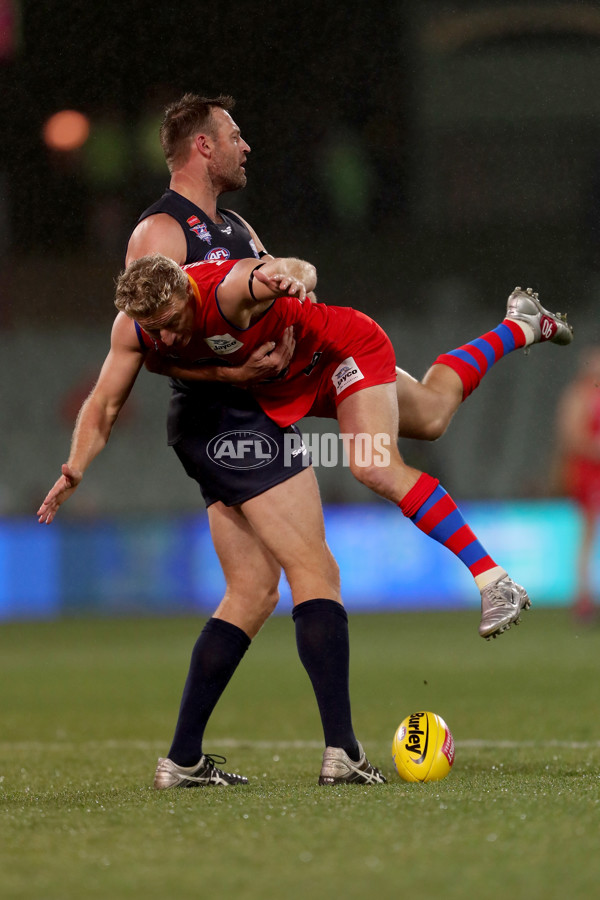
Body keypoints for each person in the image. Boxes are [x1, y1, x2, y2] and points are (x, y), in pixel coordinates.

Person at [553, 347, 600, 622]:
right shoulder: (578, 395)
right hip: (588, 473)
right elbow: (571, 436)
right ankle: (583, 599)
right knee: (587, 535)